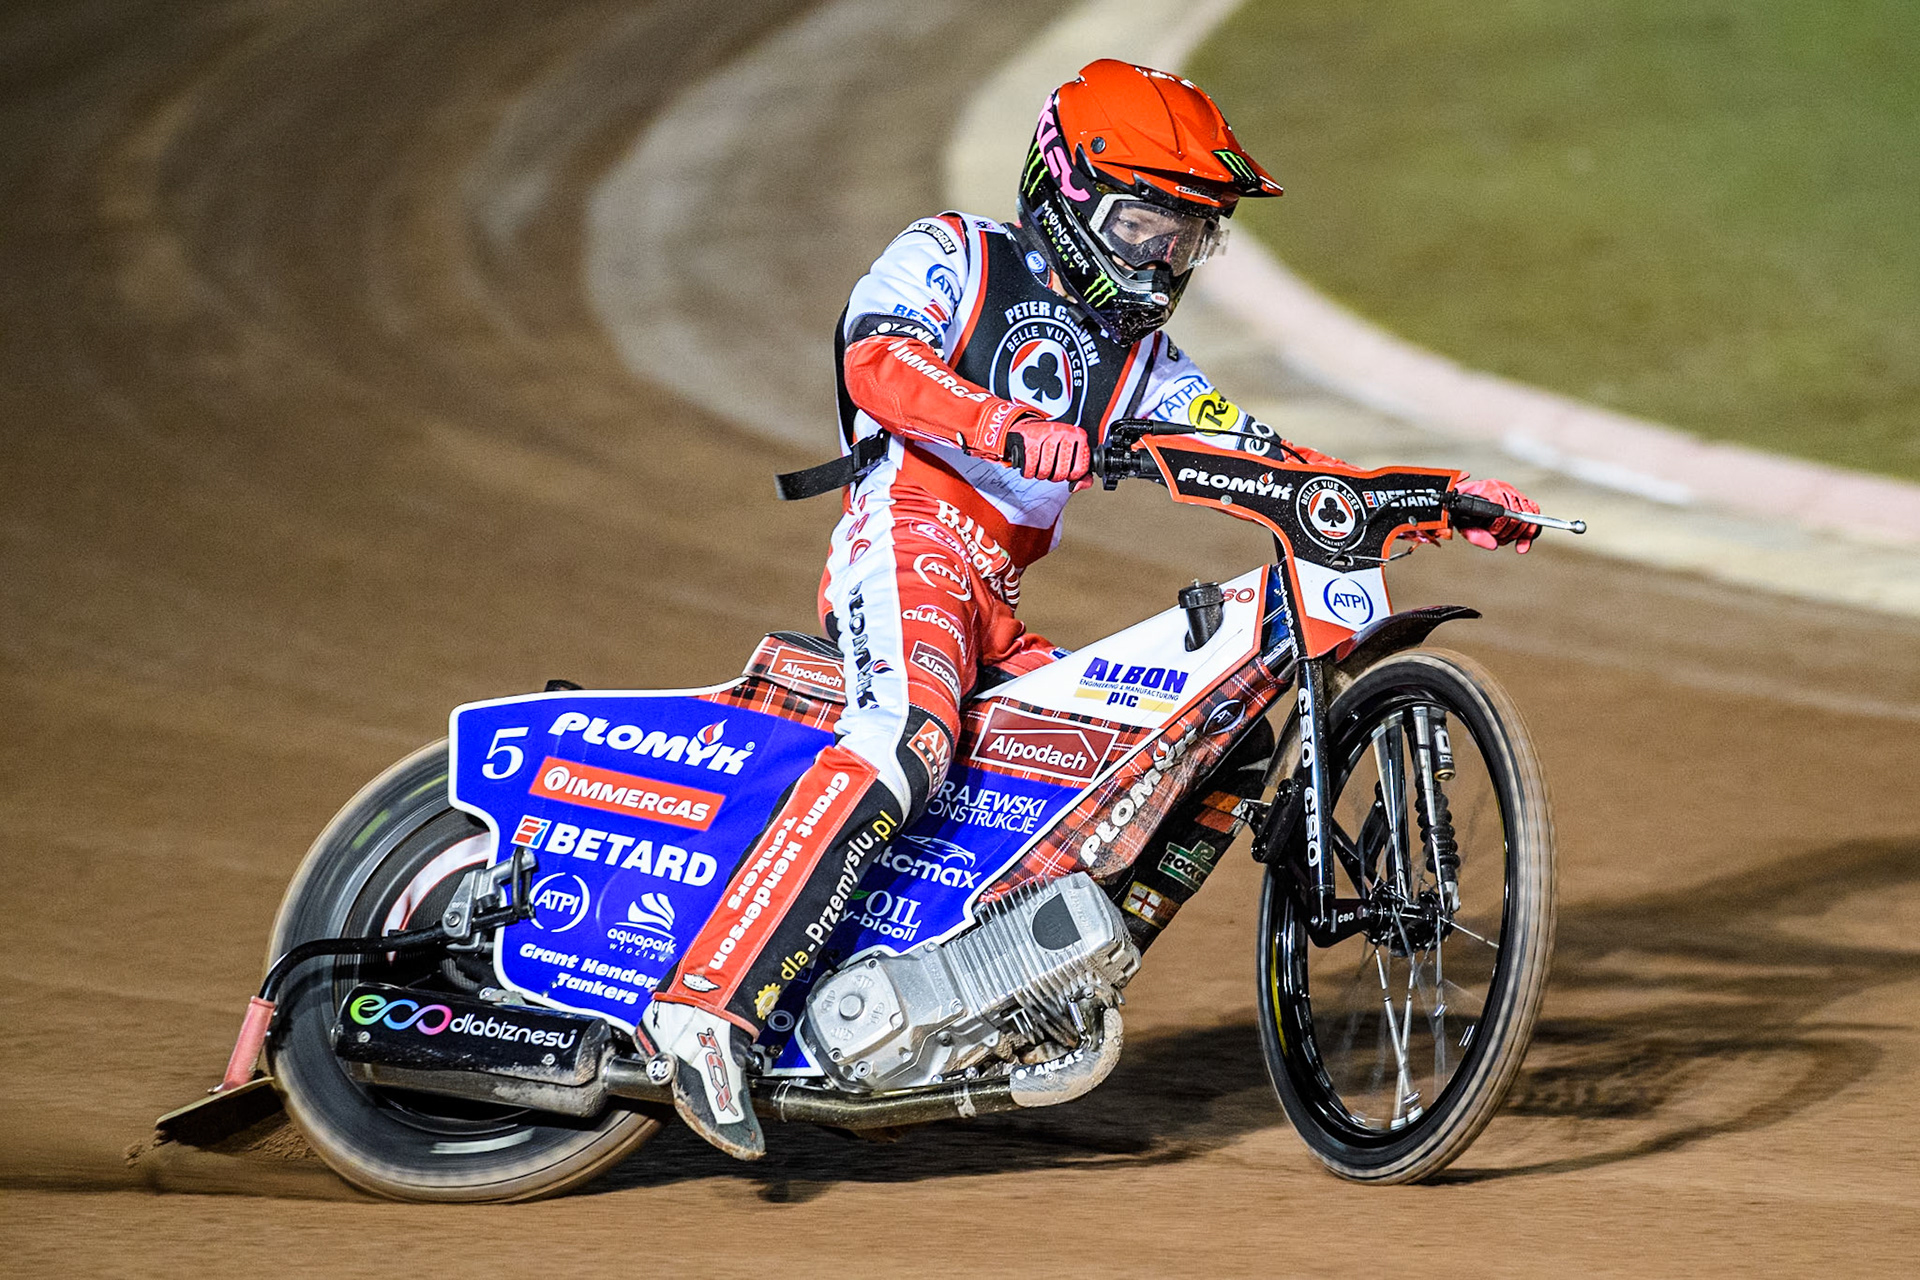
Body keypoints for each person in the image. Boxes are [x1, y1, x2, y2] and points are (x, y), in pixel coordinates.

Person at [638, 59, 1541, 1160]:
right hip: (907, 534)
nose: (1166, 260)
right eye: (1145, 226)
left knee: (1189, 757)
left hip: (999, 596)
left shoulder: (1145, 358)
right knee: (908, 737)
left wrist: (1429, 496)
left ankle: (1010, 997)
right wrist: (1002, 426)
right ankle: (706, 1005)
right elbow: (875, 358)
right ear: (1063, 190)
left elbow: (1261, 458)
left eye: (1190, 237)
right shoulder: (953, 253)